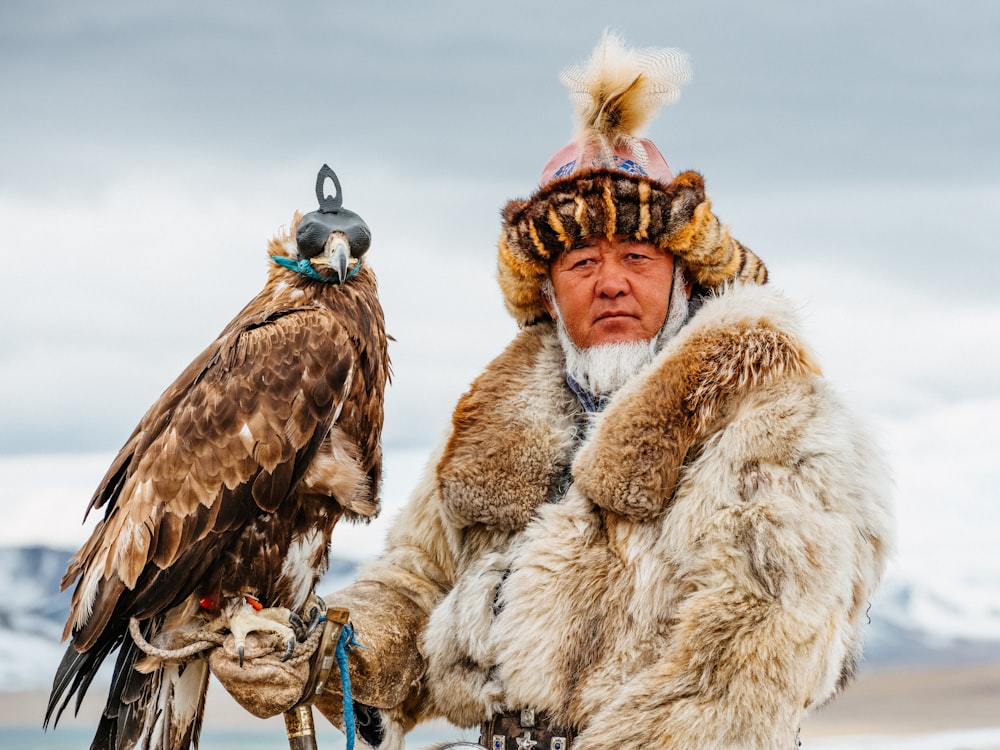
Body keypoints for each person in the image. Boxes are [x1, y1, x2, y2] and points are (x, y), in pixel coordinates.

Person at [212, 32, 894, 750]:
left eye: (637, 256)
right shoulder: (496, 421)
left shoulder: (775, 418)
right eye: (581, 262)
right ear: (545, 288)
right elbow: (417, 586)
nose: (610, 282)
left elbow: (744, 678)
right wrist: (322, 651)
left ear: (684, 276)